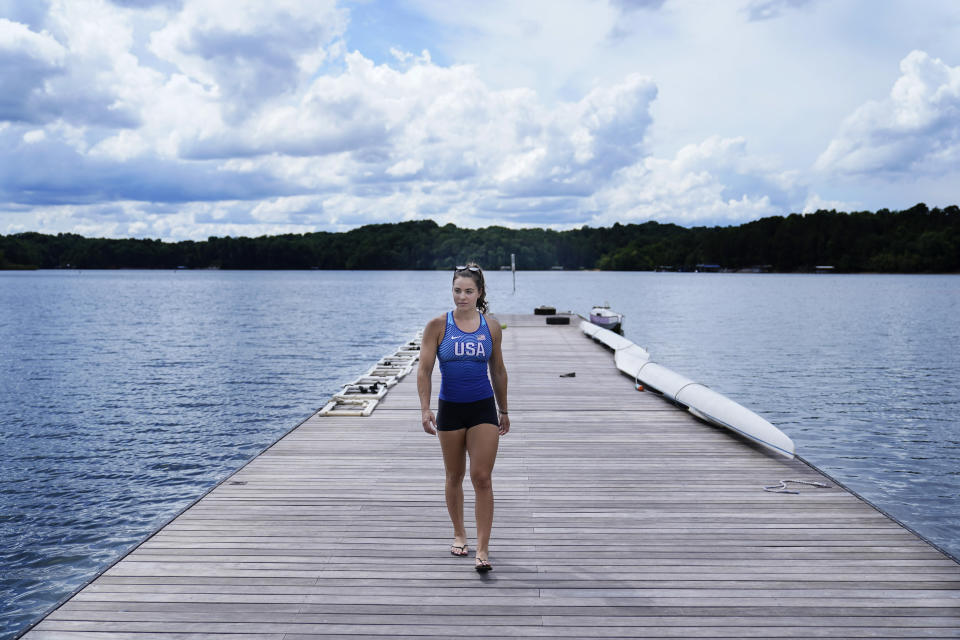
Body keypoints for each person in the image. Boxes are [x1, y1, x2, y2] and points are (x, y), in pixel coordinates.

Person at [417, 263, 510, 572]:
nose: (462, 297)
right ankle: (460, 533)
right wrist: (425, 407)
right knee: (454, 476)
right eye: (457, 290)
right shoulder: (437, 326)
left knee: (481, 477)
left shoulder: (491, 327)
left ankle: (483, 548)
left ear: (479, 293)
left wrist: (504, 409)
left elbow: (497, 369)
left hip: (482, 407)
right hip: (450, 408)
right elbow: (425, 370)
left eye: (468, 291)